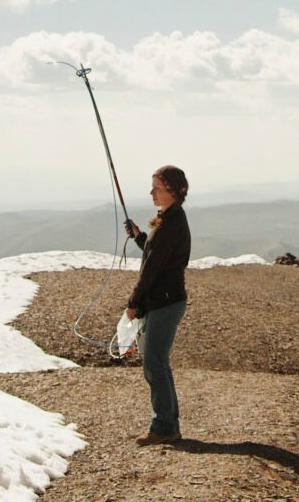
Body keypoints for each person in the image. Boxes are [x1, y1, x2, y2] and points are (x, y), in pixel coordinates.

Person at [124, 165, 191, 447]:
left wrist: (134, 303)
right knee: (158, 363)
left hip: (164, 302)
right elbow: (157, 256)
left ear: (174, 191)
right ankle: (168, 424)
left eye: (157, 188)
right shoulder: (169, 219)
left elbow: (151, 270)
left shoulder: (171, 223)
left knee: (154, 363)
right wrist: (140, 236)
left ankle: (164, 426)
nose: (152, 192)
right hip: (166, 300)